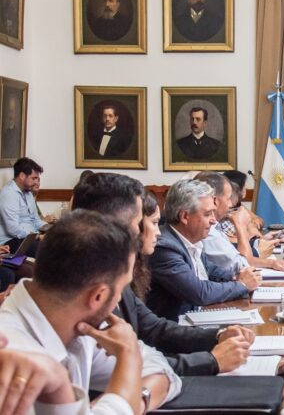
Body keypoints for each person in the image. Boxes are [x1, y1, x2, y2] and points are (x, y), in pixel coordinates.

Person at [0, 210, 182, 414]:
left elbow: (162, 370)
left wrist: (130, 402)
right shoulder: (11, 358)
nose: (119, 299)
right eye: (122, 288)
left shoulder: (77, 323)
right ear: (98, 296)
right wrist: (129, 363)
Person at [72, 173, 253, 376]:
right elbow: (124, 368)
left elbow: (153, 328)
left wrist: (218, 336)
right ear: (113, 227)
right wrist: (212, 361)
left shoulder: (113, 272)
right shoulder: (87, 286)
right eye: (143, 222)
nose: (157, 232)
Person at [147, 179, 259, 321]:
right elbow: (199, 292)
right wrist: (242, 285)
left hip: (197, 318)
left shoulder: (191, 240)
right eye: (207, 214)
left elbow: (211, 270)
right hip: (175, 328)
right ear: (185, 216)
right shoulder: (164, 248)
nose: (214, 220)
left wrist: (236, 276)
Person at [195, 171, 284, 272]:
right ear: (215, 200)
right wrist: (240, 225)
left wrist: (272, 263)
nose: (231, 204)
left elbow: (234, 252)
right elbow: (242, 264)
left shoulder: (214, 226)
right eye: (228, 199)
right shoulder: (207, 229)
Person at [0, 157, 51, 254]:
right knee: (48, 249)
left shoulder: (28, 192)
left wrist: (52, 228)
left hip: (29, 237)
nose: (36, 182)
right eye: (33, 178)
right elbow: (13, 230)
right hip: (11, 241)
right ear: (22, 176)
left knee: (61, 240)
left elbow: (36, 221)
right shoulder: (9, 194)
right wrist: (38, 237)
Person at [1, 94, 20, 159]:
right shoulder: (4, 133)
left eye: (12, 111)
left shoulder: (18, 133)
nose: (10, 115)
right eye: (9, 111)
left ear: (16, 113)